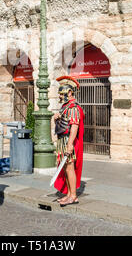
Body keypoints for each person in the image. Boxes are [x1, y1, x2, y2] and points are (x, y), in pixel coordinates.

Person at [53, 76, 84, 207]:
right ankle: (69, 194)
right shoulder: (65, 107)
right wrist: (56, 118)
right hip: (62, 140)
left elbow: (74, 127)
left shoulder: (73, 108)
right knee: (66, 168)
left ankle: (73, 195)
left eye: (62, 93)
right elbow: (63, 124)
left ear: (69, 92)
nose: (60, 96)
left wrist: (70, 144)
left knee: (70, 168)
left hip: (67, 141)